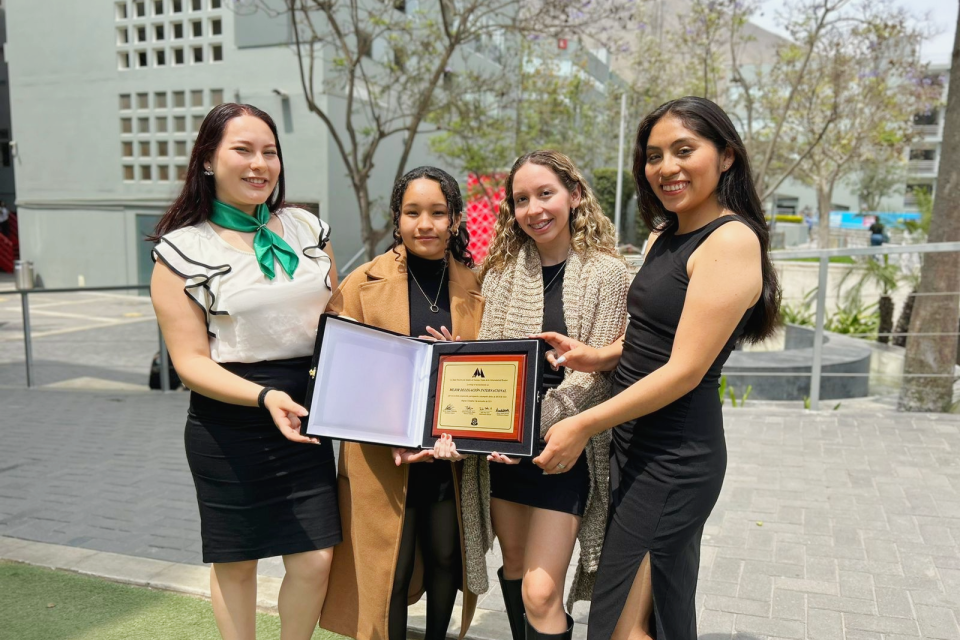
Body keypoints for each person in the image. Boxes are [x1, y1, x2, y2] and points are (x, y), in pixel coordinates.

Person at [536, 97, 781, 639]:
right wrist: (598, 355)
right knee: (652, 612)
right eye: (654, 155)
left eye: (684, 150)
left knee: (622, 623)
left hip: (674, 454)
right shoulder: (665, 234)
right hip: (635, 444)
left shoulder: (732, 240)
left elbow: (684, 370)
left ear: (727, 158)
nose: (666, 167)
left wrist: (580, 423)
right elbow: (654, 332)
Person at [150, 103, 341, 639]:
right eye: (243, 150)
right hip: (229, 419)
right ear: (208, 160)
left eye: (270, 151)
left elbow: (338, 314)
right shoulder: (180, 251)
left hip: (307, 411)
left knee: (315, 560)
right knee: (237, 565)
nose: (260, 164)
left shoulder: (307, 225)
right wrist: (263, 399)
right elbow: (189, 363)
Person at [435, 150, 634, 640]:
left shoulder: (608, 274)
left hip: (564, 447)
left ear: (575, 195)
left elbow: (599, 374)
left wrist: (533, 426)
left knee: (541, 594)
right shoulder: (499, 275)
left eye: (545, 194)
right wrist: (454, 362)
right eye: (522, 199)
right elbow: (490, 363)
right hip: (502, 453)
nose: (534, 209)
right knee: (516, 569)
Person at [319, 166, 484, 640]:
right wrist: (383, 431)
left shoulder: (476, 288)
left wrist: (460, 356)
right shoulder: (360, 284)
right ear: (397, 219)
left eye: (437, 212)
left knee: (446, 560)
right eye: (413, 212)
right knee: (387, 567)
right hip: (382, 457)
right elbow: (339, 371)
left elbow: (491, 374)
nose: (424, 224)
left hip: (450, 457)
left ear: (454, 219)